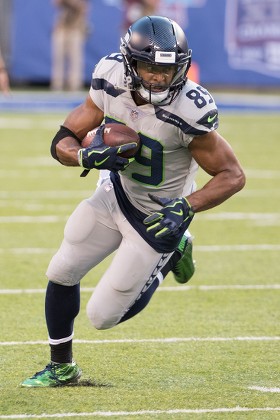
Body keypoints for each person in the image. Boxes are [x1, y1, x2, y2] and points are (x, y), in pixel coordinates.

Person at [21, 15, 245, 387]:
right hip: (116, 193)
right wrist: (83, 157)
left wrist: (187, 207)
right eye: (149, 67)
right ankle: (61, 366)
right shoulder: (110, 78)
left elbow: (233, 175)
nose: (159, 77)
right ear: (129, 63)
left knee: (103, 316)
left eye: (168, 69)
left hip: (161, 215)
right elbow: (63, 137)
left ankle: (171, 254)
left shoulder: (191, 109)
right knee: (62, 269)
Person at [51, 0, 89, 91]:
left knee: (75, 59)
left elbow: (82, 6)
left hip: (76, 27)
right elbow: (56, 2)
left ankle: (74, 86)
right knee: (58, 58)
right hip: (62, 27)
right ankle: (57, 85)